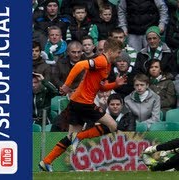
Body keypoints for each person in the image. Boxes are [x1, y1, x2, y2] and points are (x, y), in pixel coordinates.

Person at [39, 38, 126, 172]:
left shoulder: (107, 65)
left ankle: (46, 161)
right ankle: (79, 137)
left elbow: (100, 87)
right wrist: (67, 86)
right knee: (112, 125)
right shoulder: (101, 60)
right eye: (118, 52)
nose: (119, 56)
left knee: (70, 137)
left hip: (76, 102)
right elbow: (79, 65)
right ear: (111, 51)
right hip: (84, 103)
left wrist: (115, 84)